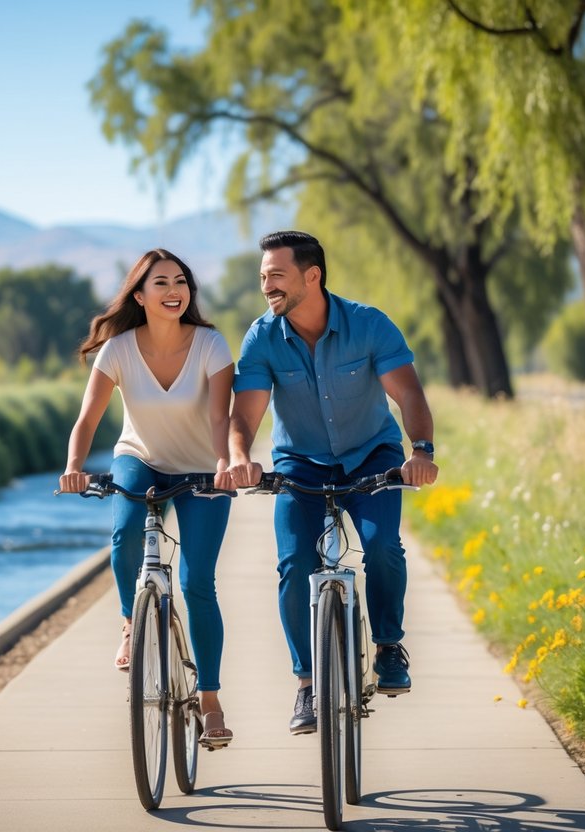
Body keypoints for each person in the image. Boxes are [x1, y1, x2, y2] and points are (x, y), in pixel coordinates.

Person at [225, 230, 439, 735]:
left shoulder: (368, 325)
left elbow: (408, 395)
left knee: (383, 544)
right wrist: (238, 458)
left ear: (312, 275)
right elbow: (245, 417)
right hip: (300, 463)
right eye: (263, 277)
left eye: (276, 276)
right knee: (293, 562)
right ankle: (306, 684)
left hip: (372, 456)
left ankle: (388, 645)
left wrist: (421, 452)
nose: (267, 287)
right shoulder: (261, 337)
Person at [61, 248, 236, 748]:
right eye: (161, 283)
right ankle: (128, 621)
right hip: (140, 457)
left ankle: (210, 699)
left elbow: (221, 417)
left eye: (180, 281)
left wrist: (225, 462)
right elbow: (88, 419)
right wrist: (74, 467)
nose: (174, 290)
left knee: (198, 582)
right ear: (139, 294)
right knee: (124, 533)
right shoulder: (117, 350)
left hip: (203, 466)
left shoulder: (210, 345)